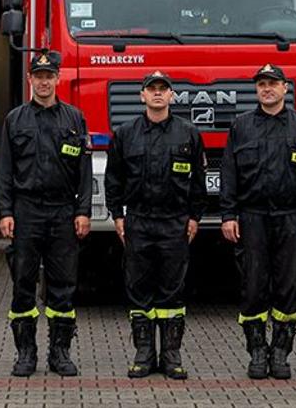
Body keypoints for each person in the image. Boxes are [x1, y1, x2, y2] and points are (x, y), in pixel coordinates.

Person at [220, 63, 296, 380]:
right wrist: (228, 215)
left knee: (288, 288)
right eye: (262, 84)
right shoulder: (241, 126)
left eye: (273, 84)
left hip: (289, 217)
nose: (267, 89)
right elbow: (229, 173)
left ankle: (280, 353)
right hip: (252, 217)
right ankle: (256, 353)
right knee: (253, 288)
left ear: (285, 88)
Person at [104, 70, 206, 380]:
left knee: (172, 293)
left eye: (163, 89)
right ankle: (144, 354)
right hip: (139, 221)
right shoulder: (125, 134)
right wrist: (118, 216)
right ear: (142, 96)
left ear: (172, 95)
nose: (158, 94)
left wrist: (194, 217)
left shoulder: (188, 134)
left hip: (174, 222)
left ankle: (171, 356)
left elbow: (199, 183)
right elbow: (113, 180)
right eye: (152, 89)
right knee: (139, 291)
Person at [0, 51, 91, 377]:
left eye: (50, 76)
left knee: (63, 284)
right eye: (39, 76)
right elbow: (5, 171)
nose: (44, 81)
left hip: (63, 211)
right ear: (30, 80)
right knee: (23, 283)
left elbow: (84, 170)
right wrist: (5, 211)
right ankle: (26, 354)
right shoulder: (15, 120)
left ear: (58, 79)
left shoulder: (75, 119)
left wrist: (83, 211)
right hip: (26, 211)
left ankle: (60, 353)